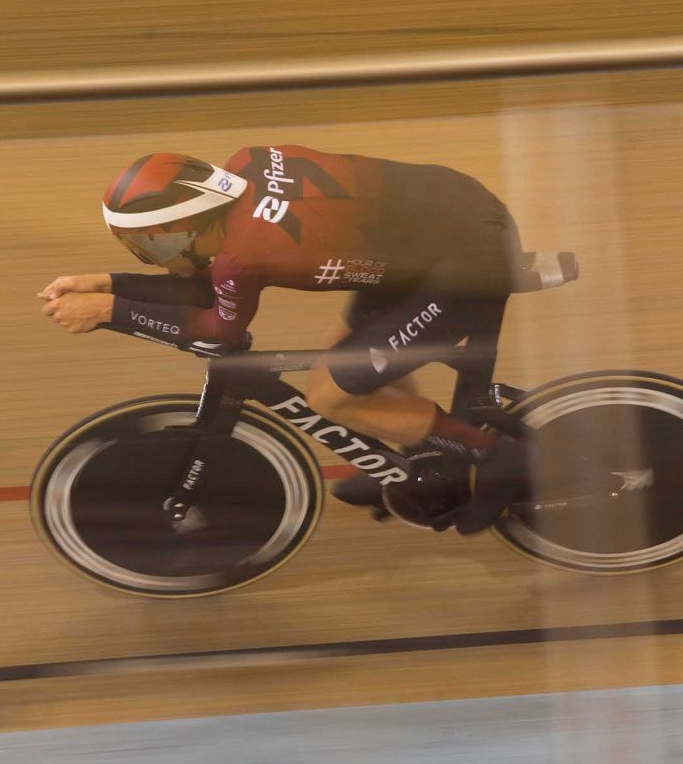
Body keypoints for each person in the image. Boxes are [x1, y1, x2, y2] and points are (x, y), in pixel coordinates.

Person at [38, 147, 528, 534]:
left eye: (152, 243)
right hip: (442, 226)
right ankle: (414, 462)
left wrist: (110, 311)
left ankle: (499, 459)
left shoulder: (247, 255)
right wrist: (108, 282)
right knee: (349, 352)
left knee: (331, 392)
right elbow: (210, 286)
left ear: (187, 221)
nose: (154, 256)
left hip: (466, 260)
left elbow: (219, 330)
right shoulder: (245, 167)